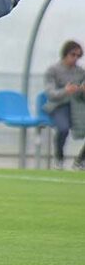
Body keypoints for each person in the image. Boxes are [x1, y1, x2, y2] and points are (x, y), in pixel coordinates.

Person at [43, 40, 85, 170]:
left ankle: (80, 161)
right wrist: (65, 91)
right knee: (63, 128)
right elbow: (50, 93)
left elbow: (81, 97)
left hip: (77, 107)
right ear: (65, 53)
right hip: (59, 106)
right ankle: (59, 159)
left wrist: (81, 90)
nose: (75, 58)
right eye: (73, 55)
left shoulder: (80, 72)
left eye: (78, 56)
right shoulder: (53, 70)